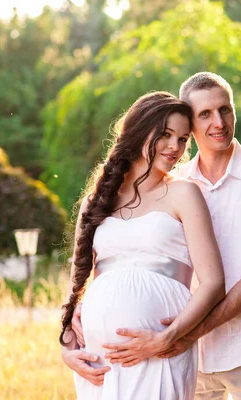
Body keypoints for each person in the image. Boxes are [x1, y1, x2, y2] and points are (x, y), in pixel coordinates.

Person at [72, 72, 241, 399]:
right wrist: (87, 305)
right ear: (190, 123)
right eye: (205, 114)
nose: (218, 122)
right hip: (184, 358)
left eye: (225, 109)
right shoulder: (169, 183)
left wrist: (185, 334)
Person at [59, 91, 226, 400]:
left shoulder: (184, 194)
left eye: (183, 139)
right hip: (100, 362)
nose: (175, 147)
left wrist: (167, 338)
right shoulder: (95, 202)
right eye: (165, 134)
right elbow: (76, 286)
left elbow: (214, 282)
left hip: (161, 350)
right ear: (138, 132)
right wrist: (66, 351)